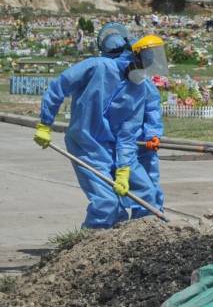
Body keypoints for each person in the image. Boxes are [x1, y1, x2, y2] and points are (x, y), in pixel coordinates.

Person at [34, 29, 167, 228]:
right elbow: (59, 86)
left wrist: (123, 169)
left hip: (115, 147)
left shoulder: (138, 89)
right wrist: (45, 123)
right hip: (85, 144)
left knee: (148, 194)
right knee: (107, 203)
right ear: (134, 56)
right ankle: (86, 247)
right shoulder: (98, 67)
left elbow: (127, 134)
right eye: (142, 64)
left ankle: (140, 241)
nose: (145, 71)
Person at [98, 23, 165, 212]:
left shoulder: (139, 78)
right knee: (122, 188)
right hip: (117, 143)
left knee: (147, 187)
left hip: (140, 142)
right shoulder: (109, 74)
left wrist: (152, 134)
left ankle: (146, 224)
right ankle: (136, 225)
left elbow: (151, 108)